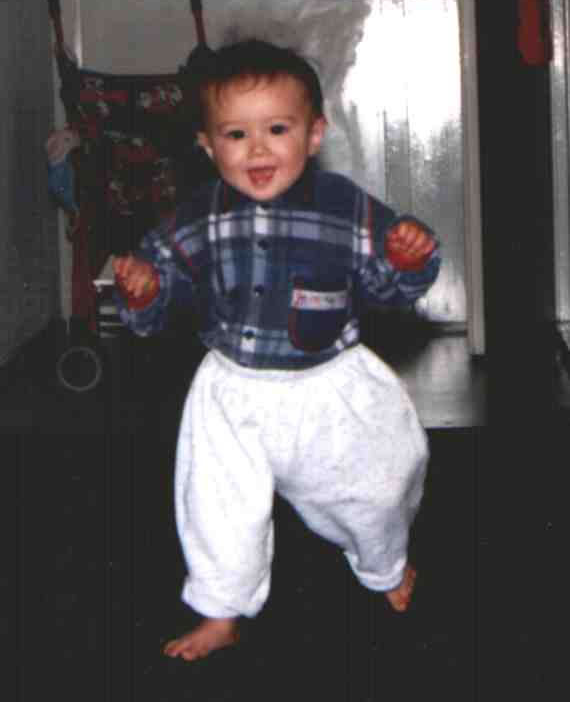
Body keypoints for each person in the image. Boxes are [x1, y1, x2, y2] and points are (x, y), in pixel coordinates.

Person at [113, 39, 441, 662]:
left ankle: (385, 562)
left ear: (314, 134)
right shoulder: (199, 215)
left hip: (329, 383)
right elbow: (164, 286)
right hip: (231, 388)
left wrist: (404, 259)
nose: (258, 149)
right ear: (207, 145)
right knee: (215, 505)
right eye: (236, 135)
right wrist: (146, 287)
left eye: (277, 129)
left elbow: (387, 288)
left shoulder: (343, 206)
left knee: (375, 488)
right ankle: (220, 609)